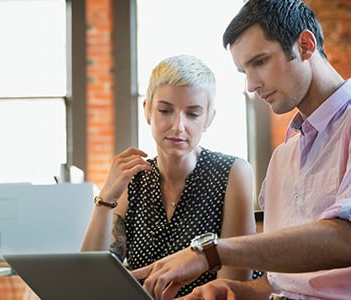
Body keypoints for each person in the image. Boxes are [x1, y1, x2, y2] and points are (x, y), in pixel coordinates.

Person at [130, 1, 351, 299]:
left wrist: (211, 252)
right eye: (243, 72)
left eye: (259, 62)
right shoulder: (284, 157)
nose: (251, 84)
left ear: (305, 45)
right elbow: (283, 284)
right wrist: (234, 291)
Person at [80, 54, 260, 297]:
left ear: (209, 119)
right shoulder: (134, 179)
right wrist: (105, 199)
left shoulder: (232, 172)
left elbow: (231, 284)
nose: (178, 126)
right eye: (165, 110)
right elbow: (89, 279)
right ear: (147, 111)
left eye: (193, 114)